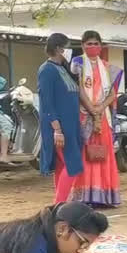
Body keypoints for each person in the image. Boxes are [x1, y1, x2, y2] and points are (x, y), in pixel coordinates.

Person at [68, 30, 121, 207]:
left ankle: (104, 197)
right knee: (86, 155)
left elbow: (112, 94)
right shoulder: (77, 63)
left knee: (102, 155)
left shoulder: (107, 67)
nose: (92, 46)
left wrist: (100, 108)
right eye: (89, 43)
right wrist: (92, 109)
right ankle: (84, 196)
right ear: (83, 45)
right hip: (84, 115)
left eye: (96, 43)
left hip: (102, 118)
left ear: (101, 46)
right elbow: (78, 88)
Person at [38, 33, 84, 204]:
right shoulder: (47, 70)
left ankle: (59, 205)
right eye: (67, 46)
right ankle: (59, 206)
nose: (69, 50)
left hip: (71, 126)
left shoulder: (63, 68)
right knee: (73, 166)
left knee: (62, 166)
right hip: (59, 127)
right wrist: (57, 130)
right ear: (58, 48)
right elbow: (47, 102)